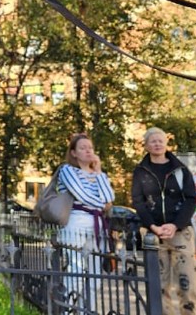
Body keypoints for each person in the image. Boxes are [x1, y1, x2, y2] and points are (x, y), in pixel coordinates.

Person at [131, 127, 196, 315]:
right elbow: (138, 201)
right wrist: (152, 226)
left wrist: (175, 224)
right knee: (158, 286)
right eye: (153, 141)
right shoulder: (140, 172)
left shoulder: (180, 170)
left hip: (180, 234)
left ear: (166, 143)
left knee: (187, 283)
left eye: (160, 140)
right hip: (154, 236)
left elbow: (191, 199)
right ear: (146, 145)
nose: (157, 143)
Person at [57, 133, 115, 310]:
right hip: (76, 221)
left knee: (95, 274)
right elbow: (82, 195)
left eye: (90, 147)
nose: (88, 151)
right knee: (75, 270)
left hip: (97, 225)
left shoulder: (99, 174)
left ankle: (87, 310)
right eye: (82, 148)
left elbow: (110, 198)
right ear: (74, 152)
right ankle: (68, 310)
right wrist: (102, 204)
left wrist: (98, 172)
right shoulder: (67, 170)